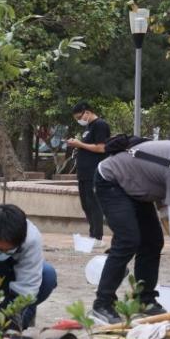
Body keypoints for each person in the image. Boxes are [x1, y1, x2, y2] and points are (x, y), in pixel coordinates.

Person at [90, 141, 170, 324]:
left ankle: (144, 300)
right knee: (128, 240)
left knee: (153, 241)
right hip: (112, 180)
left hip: (138, 187)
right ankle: (102, 304)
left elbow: (164, 195)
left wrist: (167, 218)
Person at [66, 102, 110, 244]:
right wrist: (77, 144)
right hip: (84, 172)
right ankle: (92, 234)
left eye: (80, 116)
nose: (80, 120)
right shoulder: (88, 127)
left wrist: (80, 144)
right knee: (86, 204)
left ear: (87, 112)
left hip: (94, 171)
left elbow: (101, 148)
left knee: (94, 203)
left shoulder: (100, 125)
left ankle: (98, 237)